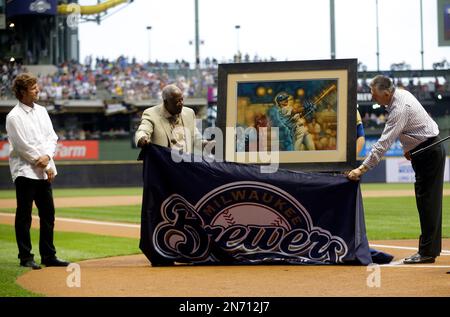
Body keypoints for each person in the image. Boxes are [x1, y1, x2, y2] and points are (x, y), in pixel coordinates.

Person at [347, 75, 446, 264]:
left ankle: (427, 252)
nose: (373, 97)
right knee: (426, 202)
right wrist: (408, 149)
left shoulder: (399, 108)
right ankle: (429, 250)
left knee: (428, 203)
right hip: (424, 150)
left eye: (374, 94)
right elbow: (414, 128)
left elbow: (383, 143)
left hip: (428, 152)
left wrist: (361, 169)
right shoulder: (400, 95)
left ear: (386, 93)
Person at [6, 73, 70, 270]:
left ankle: (48, 256)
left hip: (44, 169)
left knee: (48, 214)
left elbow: (52, 137)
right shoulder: (13, 116)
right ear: (23, 92)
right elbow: (21, 146)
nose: (38, 90)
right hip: (25, 171)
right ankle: (25, 256)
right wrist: (41, 161)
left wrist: (48, 158)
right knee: (24, 215)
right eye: (34, 88)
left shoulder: (42, 111)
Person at [135, 84, 203, 152]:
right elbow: (143, 130)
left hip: (185, 161)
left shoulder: (189, 113)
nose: (181, 103)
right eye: (177, 101)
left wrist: (205, 143)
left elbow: (195, 135)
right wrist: (142, 138)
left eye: (182, 99)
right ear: (166, 102)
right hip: (163, 161)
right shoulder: (151, 114)